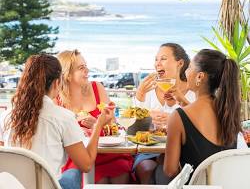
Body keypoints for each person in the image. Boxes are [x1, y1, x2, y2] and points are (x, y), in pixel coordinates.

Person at [0, 54, 113, 189]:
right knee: (74, 173)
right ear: (56, 82)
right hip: (47, 186)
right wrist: (98, 126)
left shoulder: (6, 116)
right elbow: (86, 165)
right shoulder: (63, 117)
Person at [163, 49, 243, 181]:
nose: (186, 72)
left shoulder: (178, 117)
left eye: (189, 68)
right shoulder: (229, 113)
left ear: (199, 76)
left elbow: (170, 171)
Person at [57, 50, 133, 184]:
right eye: (81, 68)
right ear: (67, 74)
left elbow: (115, 128)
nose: (87, 70)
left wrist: (98, 124)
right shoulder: (57, 100)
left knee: (121, 171)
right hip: (78, 157)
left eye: (86, 65)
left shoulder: (97, 88)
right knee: (99, 180)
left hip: (109, 153)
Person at [134, 43, 195, 184]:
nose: (157, 64)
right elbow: (134, 128)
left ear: (180, 63)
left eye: (163, 59)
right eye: (156, 59)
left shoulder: (192, 91)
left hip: (182, 150)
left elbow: (198, 123)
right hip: (149, 149)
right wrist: (140, 97)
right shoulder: (148, 90)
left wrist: (175, 120)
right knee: (146, 168)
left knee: (167, 172)